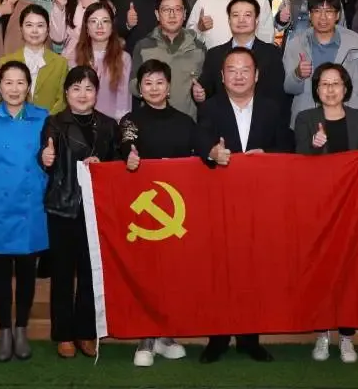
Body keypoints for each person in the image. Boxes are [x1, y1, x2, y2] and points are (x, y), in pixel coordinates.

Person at [197, 47, 292, 364]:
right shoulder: (210, 108)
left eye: (245, 70)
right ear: (222, 76)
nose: (238, 76)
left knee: (254, 268)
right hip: (220, 202)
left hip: (259, 202)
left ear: (257, 75)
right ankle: (217, 338)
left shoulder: (272, 108)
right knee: (220, 269)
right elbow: (200, 140)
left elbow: (286, 145)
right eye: (232, 70)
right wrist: (213, 153)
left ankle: (250, 339)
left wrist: (268, 157)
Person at [294, 63, 358, 363]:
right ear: (316, 89)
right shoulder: (305, 118)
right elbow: (299, 160)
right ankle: (322, 335)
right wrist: (314, 146)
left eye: (336, 83)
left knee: (349, 272)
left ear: (346, 87)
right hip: (317, 209)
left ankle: (347, 337)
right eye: (324, 84)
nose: (330, 89)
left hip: (350, 209)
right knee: (320, 270)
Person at [39, 66, 123, 358]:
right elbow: (45, 156)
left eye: (89, 88)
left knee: (90, 272)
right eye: (76, 88)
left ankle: (87, 332)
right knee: (62, 273)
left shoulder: (109, 125)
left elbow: (118, 163)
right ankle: (63, 334)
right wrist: (45, 157)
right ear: (66, 92)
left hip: (96, 209)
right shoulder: (54, 123)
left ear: (97, 93)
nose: (82, 94)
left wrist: (105, 166)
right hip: (63, 207)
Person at [0, 61, 51, 362]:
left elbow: (50, 157)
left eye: (20, 83)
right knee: (0, 274)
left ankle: (21, 329)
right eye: (8, 82)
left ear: (28, 87)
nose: (14, 89)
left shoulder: (43, 118)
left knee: (28, 273)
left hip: (30, 206)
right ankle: (4, 330)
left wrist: (49, 158)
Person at [120, 59, 197, 367]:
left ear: (169, 87)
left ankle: (166, 336)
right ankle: (146, 337)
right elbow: (126, 144)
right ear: (140, 88)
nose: (154, 88)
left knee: (173, 274)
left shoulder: (185, 121)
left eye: (159, 82)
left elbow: (199, 155)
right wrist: (129, 156)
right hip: (143, 215)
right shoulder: (130, 120)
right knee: (146, 274)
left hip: (178, 210)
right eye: (147, 83)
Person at [283, 0, 358, 128]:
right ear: (310, 15)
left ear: (337, 15)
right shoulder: (296, 44)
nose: (323, 17)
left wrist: (354, 123)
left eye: (329, 11)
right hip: (306, 122)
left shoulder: (355, 45)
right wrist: (297, 75)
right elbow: (289, 88)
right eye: (317, 11)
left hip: (344, 122)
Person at [193, 0, 286, 116]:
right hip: (223, 120)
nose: (241, 20)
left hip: (262, 120)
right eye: (235, 15)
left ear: (256, 20)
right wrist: (199, 94)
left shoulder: (272, 53)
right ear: (229, 21)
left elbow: (277, 96)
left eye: (247, 15)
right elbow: (206, 88)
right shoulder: (214, 54)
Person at [130, 0, 206, 120]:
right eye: (166, 10)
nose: (172, 15)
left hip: (188, 123)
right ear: (157, 14)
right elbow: (133, 85)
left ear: (185, 14)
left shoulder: (198, 48)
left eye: (177, 9)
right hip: (151, 122)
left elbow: (207, 87)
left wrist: (202, 93)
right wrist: (151, 87)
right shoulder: (143, 46)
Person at [68, 2, 131, 120]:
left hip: (113, 123)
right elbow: (72, 96)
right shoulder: (74, 57)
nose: (100, 26)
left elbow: (124, 100)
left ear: (112, 26)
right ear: (86, 27)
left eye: (105, 21)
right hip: (80, 120)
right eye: (94, 21)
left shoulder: (124, 58)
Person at [0, 5, 67, 114]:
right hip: (13, 122)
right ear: (21, 29)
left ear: (47, 30)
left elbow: (62, 100)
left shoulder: (61, 63)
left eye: (40, 25)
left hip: (49, 123)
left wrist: (46, 120)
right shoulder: (5, 62)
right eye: (29, 25)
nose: (34, 31)